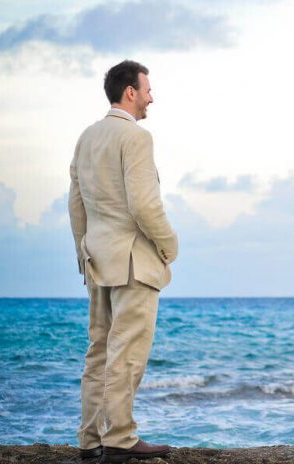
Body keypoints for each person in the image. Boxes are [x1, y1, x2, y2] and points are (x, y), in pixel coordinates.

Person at [68, 60, 178, 462]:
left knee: (99, 350)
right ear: (129, 92)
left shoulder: (87, 137)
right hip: (133, 261)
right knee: (126, 352)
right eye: (148, 89)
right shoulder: (136, 138)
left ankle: (89, 439)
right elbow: (145, 205)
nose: (152, 96)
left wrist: (83, 250)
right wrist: (169, 246)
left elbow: (76, 202)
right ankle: (120, 438)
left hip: (97, 258)